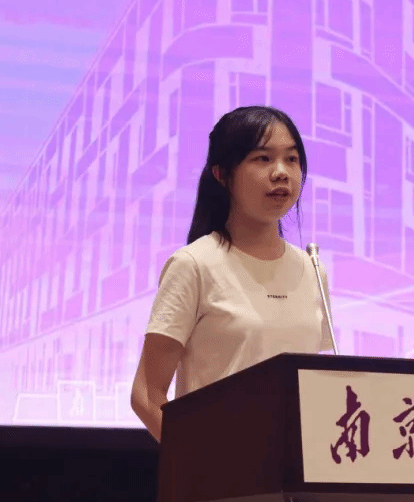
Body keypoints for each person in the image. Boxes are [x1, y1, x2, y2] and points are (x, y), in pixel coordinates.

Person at [130, 106, 334, 443]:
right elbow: (147, 395)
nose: (281, 173)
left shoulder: (313, 269)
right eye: (263, 159)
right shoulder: (194, 264)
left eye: (292, 159)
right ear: (222, 174)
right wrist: (206, 462)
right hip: (219, 472)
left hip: (300, 470)